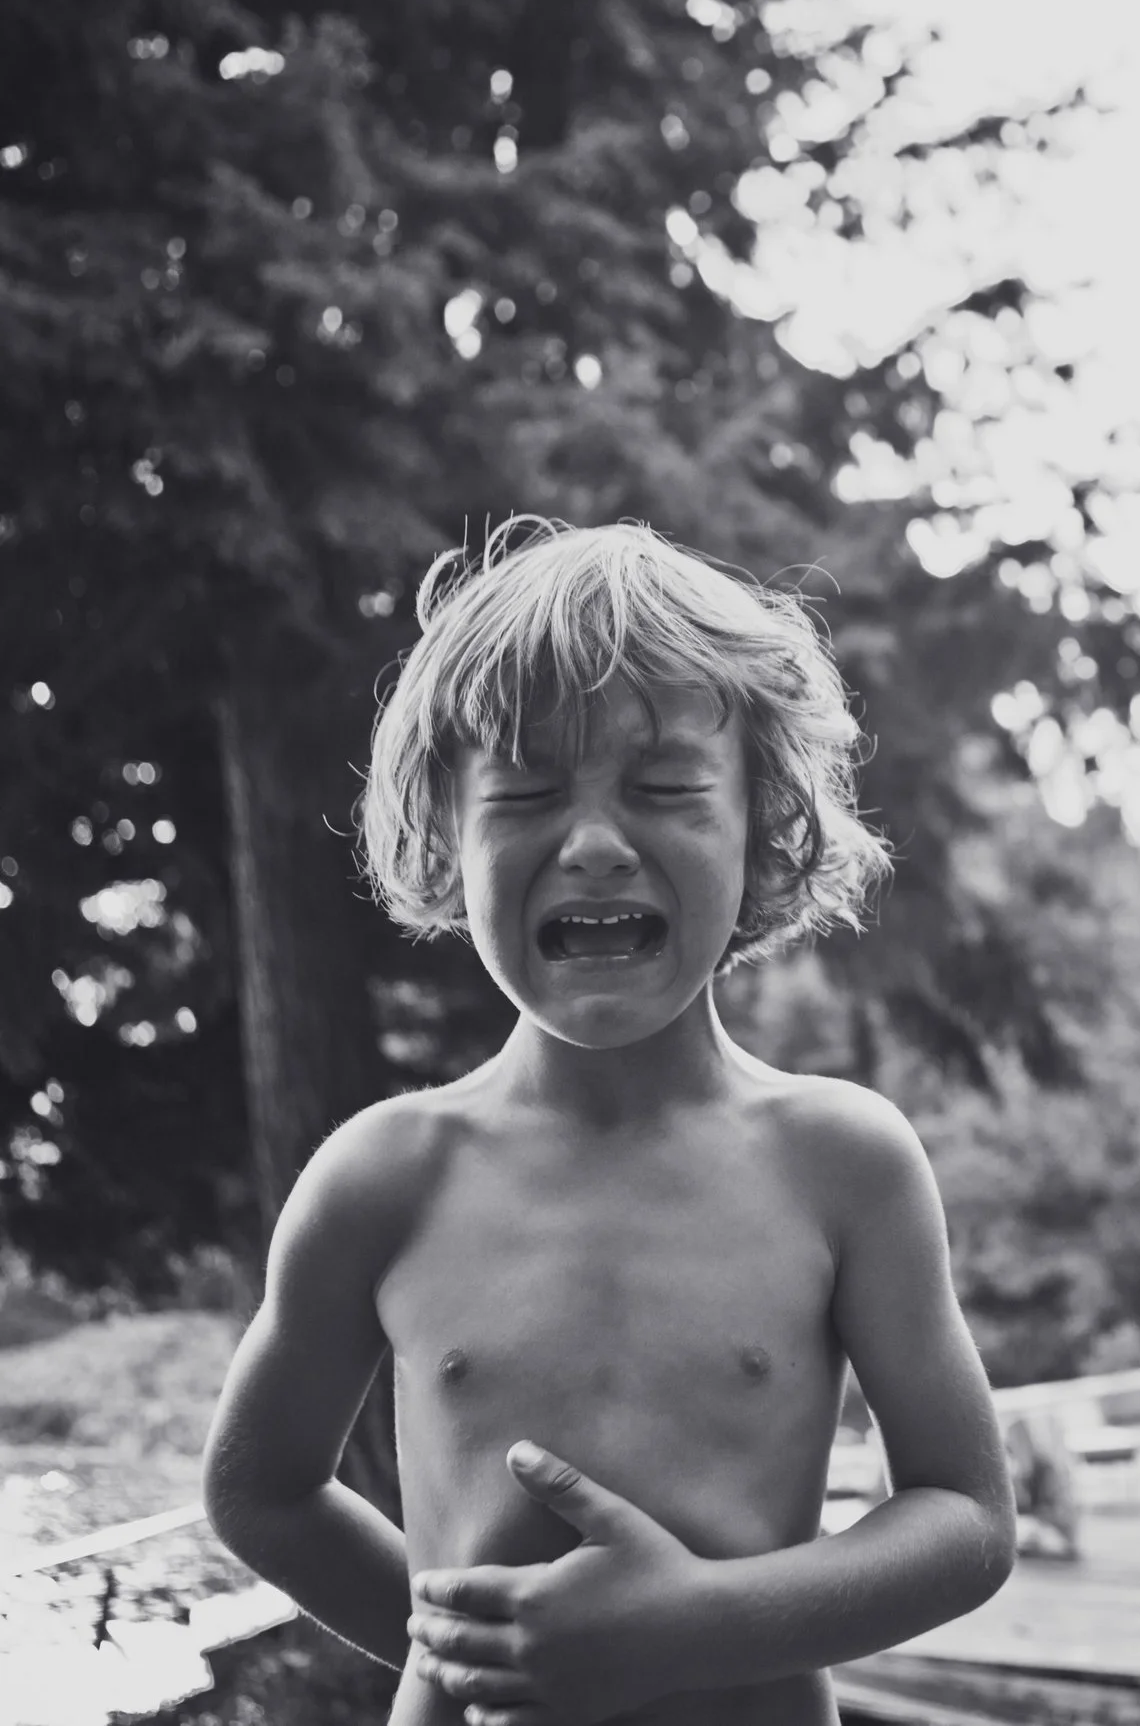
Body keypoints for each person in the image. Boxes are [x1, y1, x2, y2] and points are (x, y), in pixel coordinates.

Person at [204, 521, 1015, 1726]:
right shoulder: (384, 1177)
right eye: (525, 793)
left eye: (666, 788)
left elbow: (965, 1516)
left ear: (763, 821)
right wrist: (483, 1657)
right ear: (446, 831)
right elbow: (261, 1492)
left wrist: (695, 1633)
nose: (590, 844)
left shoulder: (843, 1164)